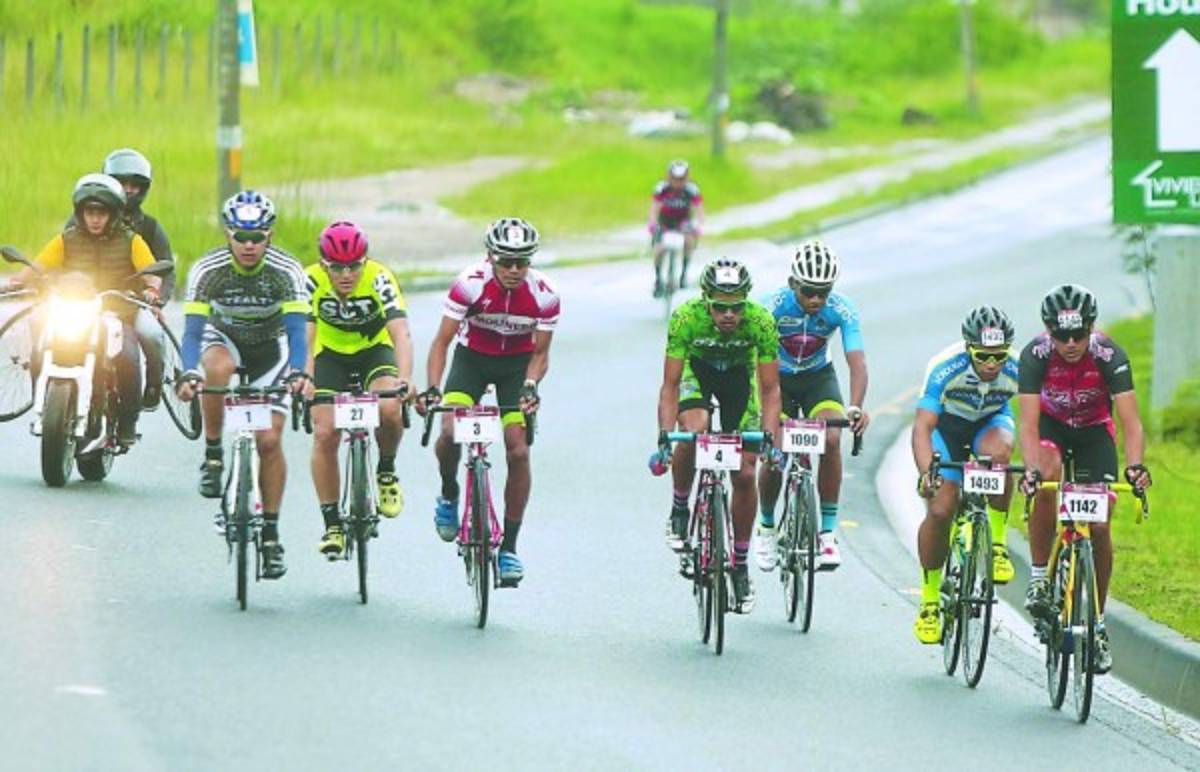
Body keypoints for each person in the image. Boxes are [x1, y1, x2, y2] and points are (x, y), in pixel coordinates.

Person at [175, 191, 310, 580]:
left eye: (258, 237)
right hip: (225, 338)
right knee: (217, 369)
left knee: (268, 440)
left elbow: (298, 333)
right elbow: (192, 333)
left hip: (272, 347)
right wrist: (188, 373)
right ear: (227, 234)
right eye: (240, 237)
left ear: (270, 236)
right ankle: (214, 455)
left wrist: (299, 372)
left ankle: (270, 533)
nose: (249, 246)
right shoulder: (208, 269)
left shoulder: (286, 270)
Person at [417, 217, 559, 586]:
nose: (514, 270)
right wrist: (433, 388)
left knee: (518, 452)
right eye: (505, 261)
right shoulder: (469, 285)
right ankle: (450, 493)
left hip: (516, 368)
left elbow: (541, 354)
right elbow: (441, 343)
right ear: (490, 257)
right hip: (472, 363)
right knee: (449, 431)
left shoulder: (544, 293)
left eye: (522, 262)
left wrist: (530, 385)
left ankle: (509, 548)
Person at [1018, 284, 1151, 674]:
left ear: (1092, 327)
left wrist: (1136, 464)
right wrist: (1029, 466)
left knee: (1098, 525)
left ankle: (1097, 621)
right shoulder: (1036, 354)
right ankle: (1041, 577)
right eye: (1062, 336)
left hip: (1095, 431)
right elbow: (1026, 423)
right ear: (1048, 330)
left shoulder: (1110, 354)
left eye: (1080, 334)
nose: (1072, 343)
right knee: (1047, 475)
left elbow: (1130, 420)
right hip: (1051, 428)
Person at [649, 258, 782, 613]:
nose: (729, 315)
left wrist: (769, 437)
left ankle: (739, 565)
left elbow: (770, 390)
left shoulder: (761, 322)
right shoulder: (686, 317)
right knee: (694, 429)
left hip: (740, 377)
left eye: (736, 307)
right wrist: (664, 435)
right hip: (698, 371)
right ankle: (680, 508)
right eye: (721, 308)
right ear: (706, 299)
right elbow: (671, 385)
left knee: (745, 472)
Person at [11, 173, 161, 446]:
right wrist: (17, 283)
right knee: (41, 347)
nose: (95, 218)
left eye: (101, 212)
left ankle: (128, 421)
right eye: (89, 212)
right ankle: (43, 399)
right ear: (80, 213)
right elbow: (39, 266)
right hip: (72, 308)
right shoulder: (66, 239)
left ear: (114, 213)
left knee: (127, 357)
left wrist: (152, 289)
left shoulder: (132, 240)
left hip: (115, 312)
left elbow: (152, 271)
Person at [303, 221, 414, 559]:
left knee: (389, 408)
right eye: (337, 267)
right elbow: (303, 338)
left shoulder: (379, 278)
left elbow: (400, 333)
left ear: (365, 261)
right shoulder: (308, 281)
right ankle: (332, 523)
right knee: (324, 432)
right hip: (330, 355)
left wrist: (405, 379)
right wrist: (305, 377)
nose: (346, 274)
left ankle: (386, 469)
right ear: (324, 265)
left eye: (354, 265)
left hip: (373, 352)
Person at [755, 240, 868, 572]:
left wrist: (856, 407)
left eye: (824, 291)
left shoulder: (842, 309)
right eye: (808, 291)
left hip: (819, 378)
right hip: (778, 382)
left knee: (832, 438)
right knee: (775, 452)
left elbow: (857, 362)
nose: (816, 299)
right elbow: (752, 361)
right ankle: (766, 526)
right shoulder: (770, 307)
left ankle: (828, 533)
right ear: (793, 284)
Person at [911, 306, 1019, 644]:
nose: (991, 364)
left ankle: (998, 545)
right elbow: (922, 428)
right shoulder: (945, 367)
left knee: (1000, 456)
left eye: (998, 356)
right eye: (983, 356)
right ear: (968, 348)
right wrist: (928, 472)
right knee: (942, 509)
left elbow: (1035, 421)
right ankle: (929, 602)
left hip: (989, 423)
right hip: (947, 429)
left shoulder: (1019, 369)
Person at [102, 148, 175, 409]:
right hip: (87, 301)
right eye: (122, 183)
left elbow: (166, 269)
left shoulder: (151, 229)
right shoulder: (81, 221)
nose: (129, 190)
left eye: (135, 185)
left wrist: (156, 300)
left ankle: (154, 383)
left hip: (134, 301)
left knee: (151, 333)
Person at [649, 160, 704, 297]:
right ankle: (658, 278)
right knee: (658, 248)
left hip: (683, 223)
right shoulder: (662, 188)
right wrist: (652, 223)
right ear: (669, 177)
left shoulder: (691, 190)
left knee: (689, 241)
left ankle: (683, 275)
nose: (678, 182)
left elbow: (699, 210)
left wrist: (698, 225)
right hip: (665, 223)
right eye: (675, 178)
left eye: (681, 179)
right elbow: (654, 208)